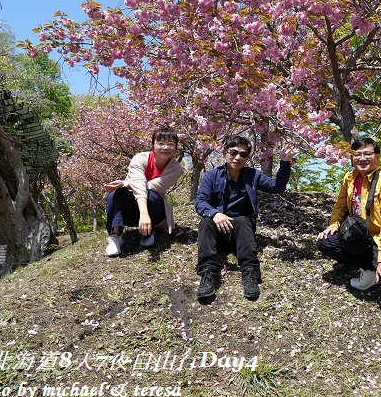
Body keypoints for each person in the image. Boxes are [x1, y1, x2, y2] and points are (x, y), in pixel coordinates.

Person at [316, 137, 381, 322]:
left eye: (367, 154)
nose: (362, 158)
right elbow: (340, 206)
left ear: (377, 156)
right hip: (361, 235)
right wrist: (333, 225)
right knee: (325, 242)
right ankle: (368, 268)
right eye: (357, 154)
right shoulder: (350, 177)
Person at [194, 135, 293, 301]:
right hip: (216, 233)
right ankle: (208, 274)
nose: (237, 157)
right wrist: (215, 214)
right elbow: (200, 202)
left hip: (240, 232)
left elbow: (277, 187)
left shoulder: (253, 175)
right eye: (233, 152)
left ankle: (250, 273)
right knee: (206, 221)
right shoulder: (212, 175)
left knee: (241, 219)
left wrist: (284, 162)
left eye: (243, 154)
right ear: (225, 153)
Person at [104, 126, 185, 257]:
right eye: (161, 143)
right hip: (131, 211)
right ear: (153, 145)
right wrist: (125, 186)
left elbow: (152, 186)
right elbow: (138, 182)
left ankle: (148, 232)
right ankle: (115, 235)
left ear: (176, 147)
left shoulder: (176, 169)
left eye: (170, 144)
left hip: (154, 210)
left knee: (151, 194)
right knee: (117, 193)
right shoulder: (140, 158)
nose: (165, 147)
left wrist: (125, 183)